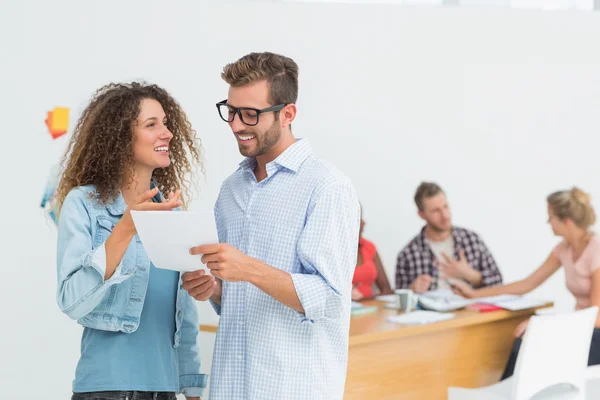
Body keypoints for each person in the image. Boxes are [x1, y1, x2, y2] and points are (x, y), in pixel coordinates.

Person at [181, 52, 361, 400]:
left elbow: (328, 301)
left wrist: (247, 269)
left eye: (250, 114)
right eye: (231, 111)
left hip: (292, 388)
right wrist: (213, 288)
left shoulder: (326, 187)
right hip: (231, 388)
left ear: (288, 113)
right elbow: (233, 292)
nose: (235, 125)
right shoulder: (232, 188)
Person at [54, 82, 207, 400]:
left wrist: (191, 388)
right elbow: (71, 300)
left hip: (165, 391)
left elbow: (184, 317)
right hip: (106, 391)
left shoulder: (172, 213)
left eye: (165, 123)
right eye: (152, 125)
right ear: (121, 137)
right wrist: (126, 228)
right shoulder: (84, 204)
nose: (166, 133)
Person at [451, 187, 600, 380]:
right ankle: (506, 393)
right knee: (523, 338)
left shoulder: (596, 251)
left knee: (531, 339)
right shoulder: (563, 250)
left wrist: (543, 324)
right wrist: (474, 294)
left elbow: (596, 316)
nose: (548, 222)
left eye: (551, 217)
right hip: (578, 329)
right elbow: (527, 284)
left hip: (594, 333)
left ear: (566, 221)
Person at [395, 182, 503, 293]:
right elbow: (398, 299)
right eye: (435, 211)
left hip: (471, 308)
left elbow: (498, 282)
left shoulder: (472, 240)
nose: (445, 215)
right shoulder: (407, 254)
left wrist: (470, 275)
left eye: (445, 207)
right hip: (430, 310)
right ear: (421, 215)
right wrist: (411, 290)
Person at [352, 207, 393, 300]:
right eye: (358, 218)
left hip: (371, 308)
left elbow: (386, 289)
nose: (363, 223)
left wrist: (367, 299)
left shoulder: (368, 247)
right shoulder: (331, 251)